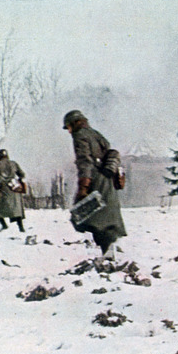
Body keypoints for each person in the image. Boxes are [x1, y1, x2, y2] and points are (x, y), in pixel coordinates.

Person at [64, 109, 127, 259]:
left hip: (94, 179)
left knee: (92, 217)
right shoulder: (96, 134)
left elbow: (84, 161)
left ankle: (107, 253)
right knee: (105, 217)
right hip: (107, 180)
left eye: (69, 127)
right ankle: (109, 250)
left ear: (75, 123)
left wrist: (84, 187)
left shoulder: (80, 136)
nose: (69, 131)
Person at [0, 149, 26, 232]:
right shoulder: (13, 163)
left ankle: (4, 225)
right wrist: (17, 181)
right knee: (16, 209)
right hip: (14, 188)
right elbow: (22, 174)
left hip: (3, 189)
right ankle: (21, 228)